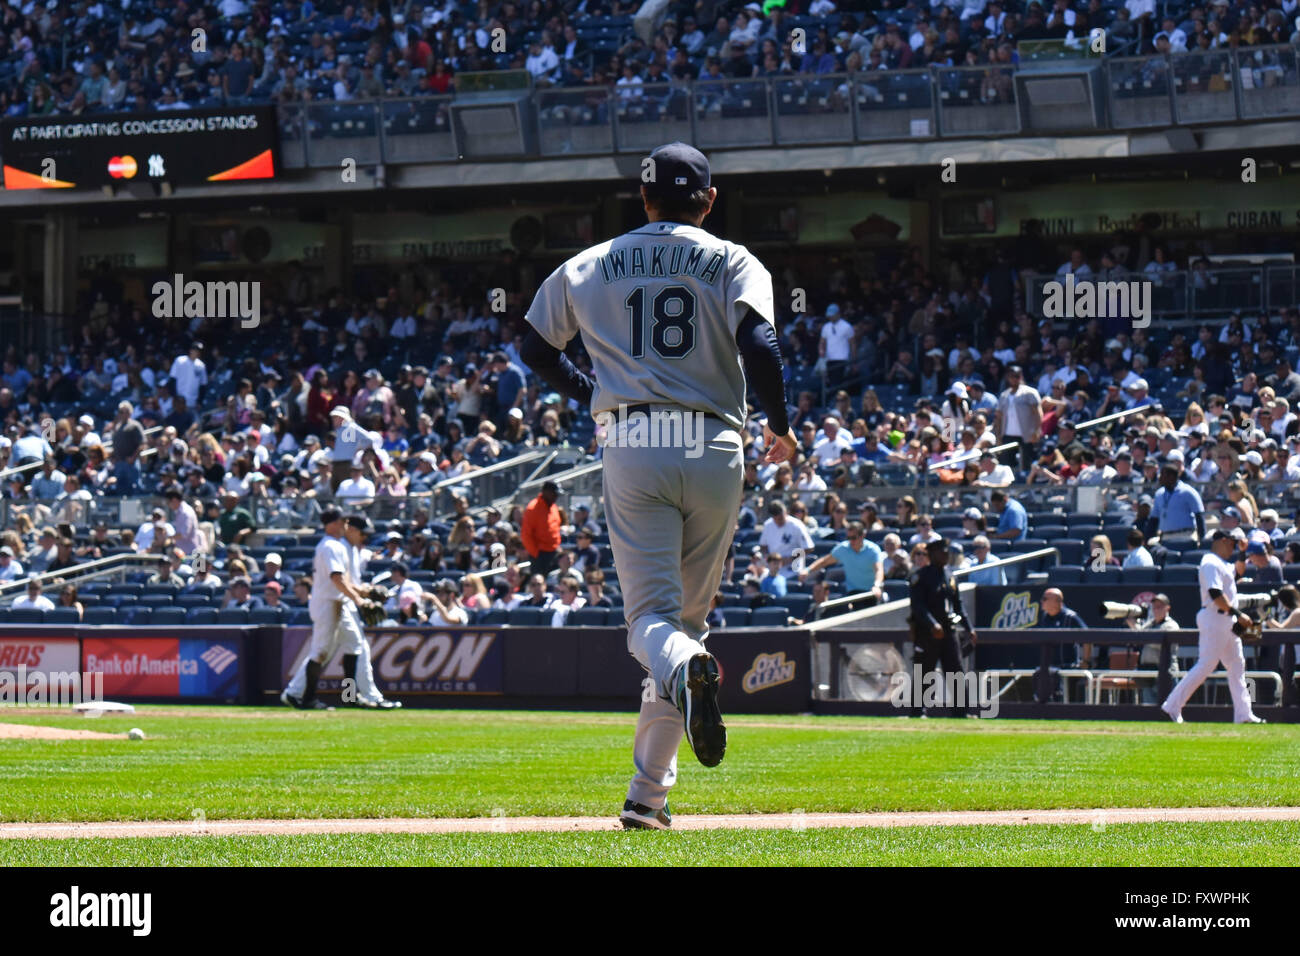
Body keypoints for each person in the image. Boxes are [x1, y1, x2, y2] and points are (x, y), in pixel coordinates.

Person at [519, 141, 794, 831]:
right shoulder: (732, 257)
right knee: (684, 631)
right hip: (714, 442)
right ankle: (648, 798)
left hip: (636, 439)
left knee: (653, 627)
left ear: (642, 198)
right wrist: (782, 424)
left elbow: (532, 346)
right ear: (708, 199)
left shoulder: (589, 262)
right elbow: (761, 345)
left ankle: (676, 706)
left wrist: (589, 392)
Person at [1161, 529, 1264, 724]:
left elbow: (1239, 571)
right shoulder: (1210, 561)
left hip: (1226, 619)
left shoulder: (1222, 563)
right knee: (1206, 664)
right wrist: (1239, 615)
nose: (1234, 547)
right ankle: (1171, 705)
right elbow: (1216, 594)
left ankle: (1244, 715)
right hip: (1215, 616)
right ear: (1223, 541)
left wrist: (1242, 553)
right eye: (1233, 544)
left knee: (1236, 665)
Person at [281, 509, 373, 710]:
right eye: (342, 521)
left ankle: (349, 697)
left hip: (337, 602)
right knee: (320, 651)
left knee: (354, 645)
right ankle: (308, 699)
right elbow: (337, 579)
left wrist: (364, 592)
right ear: (332, 523)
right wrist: (358, 600)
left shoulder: (338, 545)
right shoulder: (330, 546)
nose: (345, 525)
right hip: (327, 603)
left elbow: (345, 580)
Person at [908, 538, 977, 716]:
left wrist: (969, 628)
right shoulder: (920, 577)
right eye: (942, 552)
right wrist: (933, 624)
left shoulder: (950, 576)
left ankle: (961, 711)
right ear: (932, 554)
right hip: (928, 632)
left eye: (947, 552)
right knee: (924, 671)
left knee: (956, 670)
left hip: (949, 630)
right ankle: (917, 711)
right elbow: (918, 606)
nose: (946, 554)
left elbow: (958, 604)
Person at [798, 520, 883, 604]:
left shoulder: (873, 550)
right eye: (848, 538)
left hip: (872, 592)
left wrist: (876, 586)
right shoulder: (843, 548)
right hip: (853, 593)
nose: (851, 541)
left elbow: (879, 570)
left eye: (853, 538)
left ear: (862, 536)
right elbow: (824, 561)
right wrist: (808, 570)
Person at [1128, 592, 1179, 703]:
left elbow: (1155, 640)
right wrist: (1132, 624)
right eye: (1154, 607)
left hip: (1165, 672)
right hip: (1148, 672)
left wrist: (1141, 633)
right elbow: (1141, 635)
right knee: (1149, 706)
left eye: (1160, 607)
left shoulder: (1171, 625)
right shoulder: (1150, 624)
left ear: (1167, 608)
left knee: (1167, 706)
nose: (1156, 610)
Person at [1151, 463, 1205, 543]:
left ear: (1171, 477)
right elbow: (1153, 519)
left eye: (1163, 475)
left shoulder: (1188, 492)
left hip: (1185, 536)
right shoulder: (1159, 494)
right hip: (1165, 537)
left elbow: (1199, 516)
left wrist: (1202, 539)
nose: (1160, 478)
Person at [521, 480, 563, 580]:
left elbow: (555, 527)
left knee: (555, 582)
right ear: (546, 492)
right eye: (554, 494)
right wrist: (535, 554)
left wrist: (557, 546)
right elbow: (526, 535)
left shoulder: (553, 507)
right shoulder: (533, 508)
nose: (556, 497)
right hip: (540, 554)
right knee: (539, 582)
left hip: (554, 552)